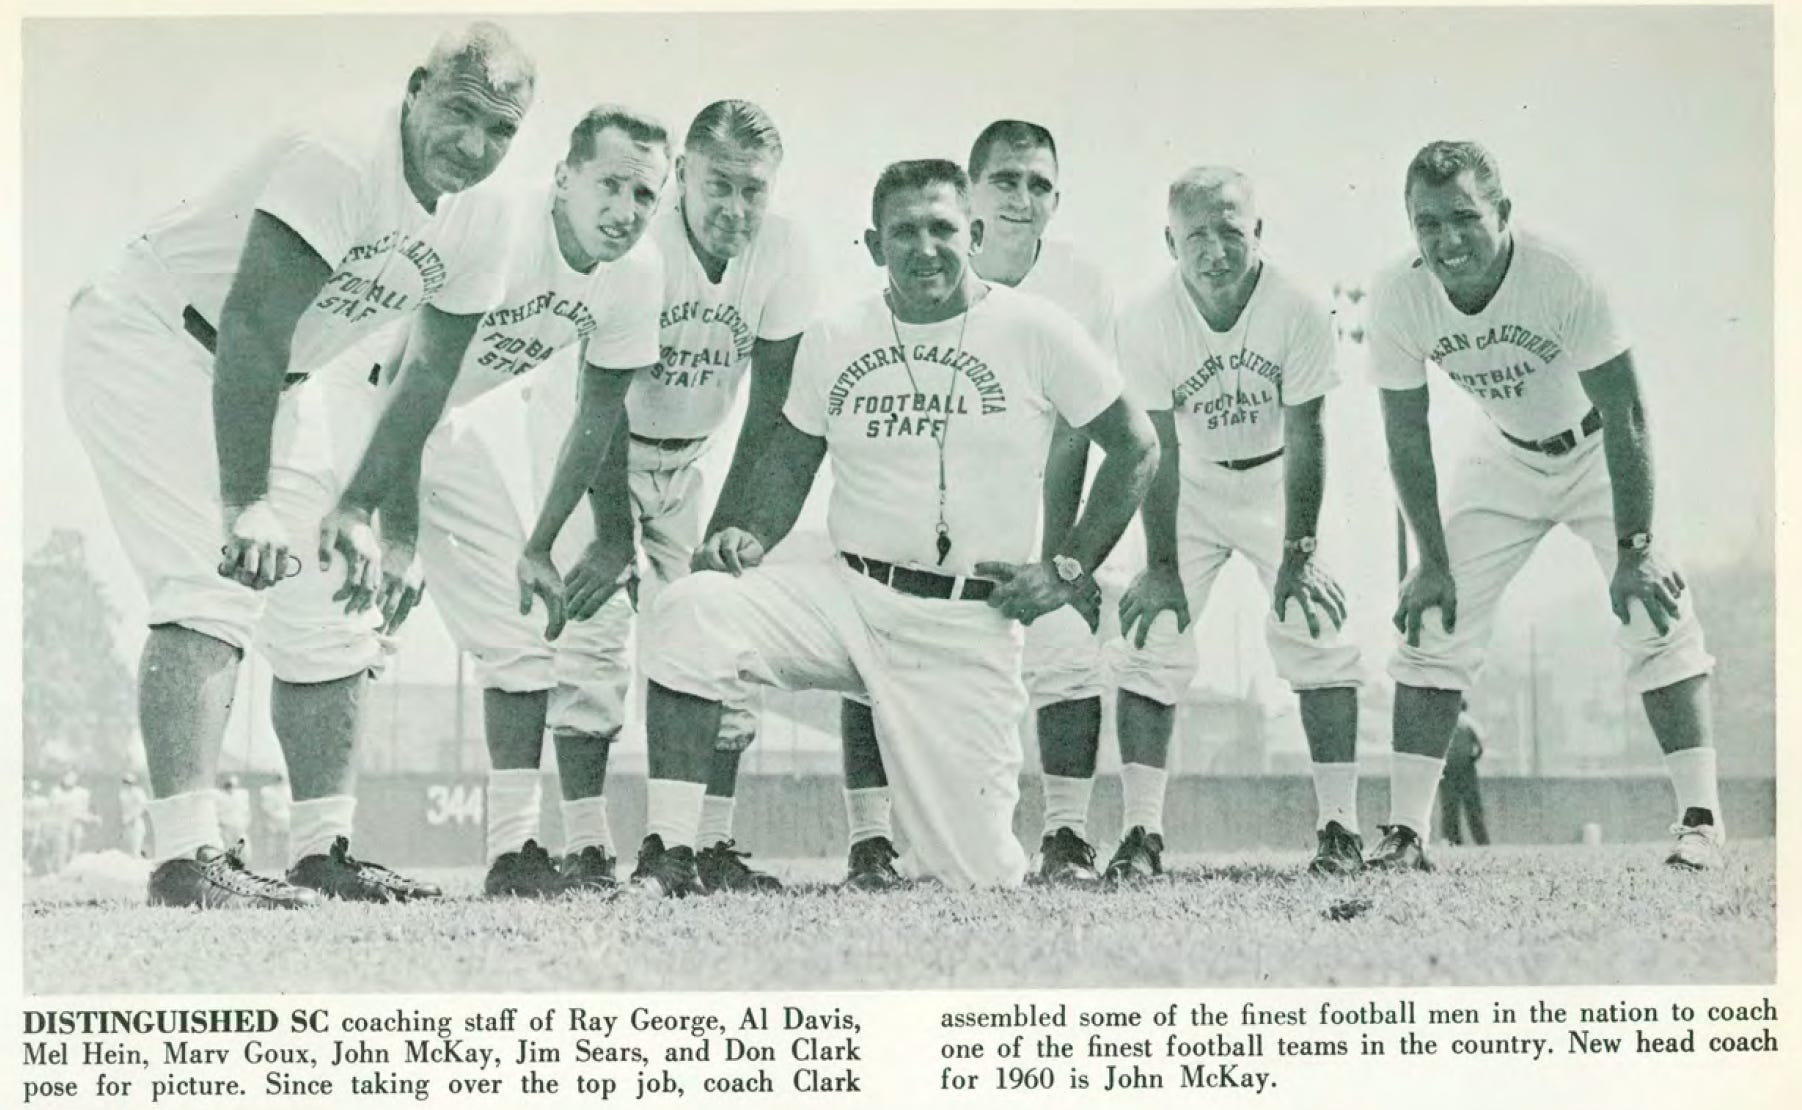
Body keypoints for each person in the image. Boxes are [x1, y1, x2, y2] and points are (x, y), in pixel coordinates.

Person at [60, 22, 536, 908]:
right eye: (460, 112)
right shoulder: (344, 155)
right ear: (415, 88)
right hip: (158, 335)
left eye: (501, 130)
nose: (474, 146)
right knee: (213, 577)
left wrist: (363, 509)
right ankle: (186, 858)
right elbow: (250, 321)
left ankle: (325, 849)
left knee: (329, 611)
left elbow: (426, 372)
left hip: (283, 376)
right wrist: (246, 500)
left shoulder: (489, 216)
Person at [624, 158, 1157, 894]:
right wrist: (751, 534)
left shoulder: (1034, 328)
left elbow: (1138, 445)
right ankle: (669, 854)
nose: (925, 247)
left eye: (942, 228)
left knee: (981, 877)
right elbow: (791, 462)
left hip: (966, 623)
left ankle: (981, 854)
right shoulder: (838, 334)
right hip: (852, 599)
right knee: (692, 610)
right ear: (874, 246)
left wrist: (1068, 568)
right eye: (903, 232)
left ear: (971, 233)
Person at [1366, 140, 1720, 871]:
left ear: (1504, 213)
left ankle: (1700, 820)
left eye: (1465, 217)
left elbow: (1624, 412)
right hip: (1504, 453)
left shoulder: (1559, 273)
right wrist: (1431, 559)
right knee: (1435, 616)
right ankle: (1405, 833)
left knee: (1654, 606)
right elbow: (1405, 433)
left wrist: (1637, 548)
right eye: (1427, 223)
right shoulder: (1400, 292)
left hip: (1598, 448)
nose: (1447, 240)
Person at [506, 100, 818, 895]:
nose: (735, 209)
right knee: (593, 632)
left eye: (755, 190)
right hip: (588, 444)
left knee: (715, 633)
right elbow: (601, 396)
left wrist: (731, 527)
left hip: (693, 458)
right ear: (682, 174)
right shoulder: (643, 242)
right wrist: (614, 536)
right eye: (718, 184)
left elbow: (772, 407)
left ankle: (703, 842)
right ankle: (583, 845)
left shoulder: (782, 250)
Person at [376, 105, 670, 898]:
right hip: (360, 402)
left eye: (645, 195)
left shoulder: (637, 273)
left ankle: (513, 854)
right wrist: (396, 532)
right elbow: (404, 376)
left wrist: (541, 543)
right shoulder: (502, 231)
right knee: (342, 617)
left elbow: (598, 417)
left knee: (520, 629)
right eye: (610, 184)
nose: (625, 211)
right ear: (563, 178)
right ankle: (303, 844)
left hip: (441, 424)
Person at [836, 119, 1121, 889]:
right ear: (973, 197)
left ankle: (1065, 834)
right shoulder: (933, 262)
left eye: (1039, 184)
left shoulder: (1082, 283)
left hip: (1028, 505)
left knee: (1066, 656)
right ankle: (871, 839)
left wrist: (1065, 557)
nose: (1022, 198)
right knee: (874, 658)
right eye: (1005, 180)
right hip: (931, 500)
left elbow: (1080, 433)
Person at [1105, 167, 1365, 883]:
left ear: (1258, 232)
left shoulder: (1299, 309)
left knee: (1318, 628)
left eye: (1230, 231)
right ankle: (1140, 833)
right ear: (1169, 241)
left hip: (1280, 481)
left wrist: (1301, 551)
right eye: (1196, 236)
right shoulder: (1146, 320)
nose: (1214, 250)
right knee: (1152, 637)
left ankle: (1340, 826)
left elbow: (1310, 434)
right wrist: (1159, 566)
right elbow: (1151, 446)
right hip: (1190, 483)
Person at [1439, 700, 1488, 846]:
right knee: (1473, 807)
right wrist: (1473, 759)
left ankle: (1453, 840)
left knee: (1449, 808)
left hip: (1446, 770)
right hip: (1466, 768)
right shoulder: (1469, 723)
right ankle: (1481, 841)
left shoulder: (1443, 723)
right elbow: (1480, 745)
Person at [258, 772, 294, 867]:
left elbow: (289, 805)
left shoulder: (287, 790)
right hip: (272, 820)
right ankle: (271, 864)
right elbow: (265, 808)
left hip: (286, 819)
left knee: (287, 842)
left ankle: (287, 863)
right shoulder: (267, 791)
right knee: (272, 844)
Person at [217, 774, 252, 856]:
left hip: (239, 826)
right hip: (226, 827)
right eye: (228, 786)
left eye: (232, 786)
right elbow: (218, 814)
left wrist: (245, 824)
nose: (230, 788)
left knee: (243, 847)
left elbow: (246, 812)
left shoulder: (241, 796)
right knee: (227, 847)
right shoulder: (220, 797)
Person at [119, 773, 150, 858]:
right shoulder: (122, 793)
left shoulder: (138, 792)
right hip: (126, 822)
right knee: (127, 847)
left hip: (135, 822)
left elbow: (143, 806)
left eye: (129, 782)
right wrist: (124, 822)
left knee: (136, 848)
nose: (127, 784)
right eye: (125, 782)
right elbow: (123, 809)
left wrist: (133, 817)